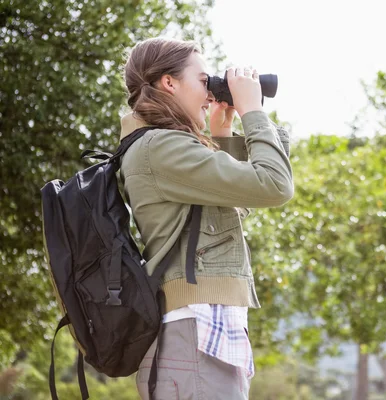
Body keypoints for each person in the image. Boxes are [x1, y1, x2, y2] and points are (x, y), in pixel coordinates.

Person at [119, 37, 293, 399]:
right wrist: (252, 111)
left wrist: (222, 135)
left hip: (199, 333)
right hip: (193, 334)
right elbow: (274, 184)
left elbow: (233, 204)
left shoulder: (164, 146)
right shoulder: (159, 147)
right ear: (169, 82)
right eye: (203, 81)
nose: (211, 90)